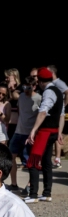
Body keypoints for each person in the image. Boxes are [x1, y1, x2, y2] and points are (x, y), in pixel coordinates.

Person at [25, 67, 65, 203]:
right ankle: (47, 193)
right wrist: (59, 132)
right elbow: (61, 114)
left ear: (41, 81)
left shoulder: (48, 92)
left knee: (33, 162)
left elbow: (43, 112)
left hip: (45, 132)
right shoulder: (58, 91)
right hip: (53, 131)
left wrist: (33, 130)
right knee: (47, 162)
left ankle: (33, 195)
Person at [7, 78, 39, 192]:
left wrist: (34, 131)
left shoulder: (38, 98)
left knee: (29, 160)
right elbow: (19, 109)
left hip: (30, 134)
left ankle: (30, 185)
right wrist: (12, 88)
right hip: (18, 131)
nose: (26, 90)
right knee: (11, 157)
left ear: (34, 86)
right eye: (24, 87)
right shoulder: (21, 97)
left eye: (29, 87)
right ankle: (14, 184)